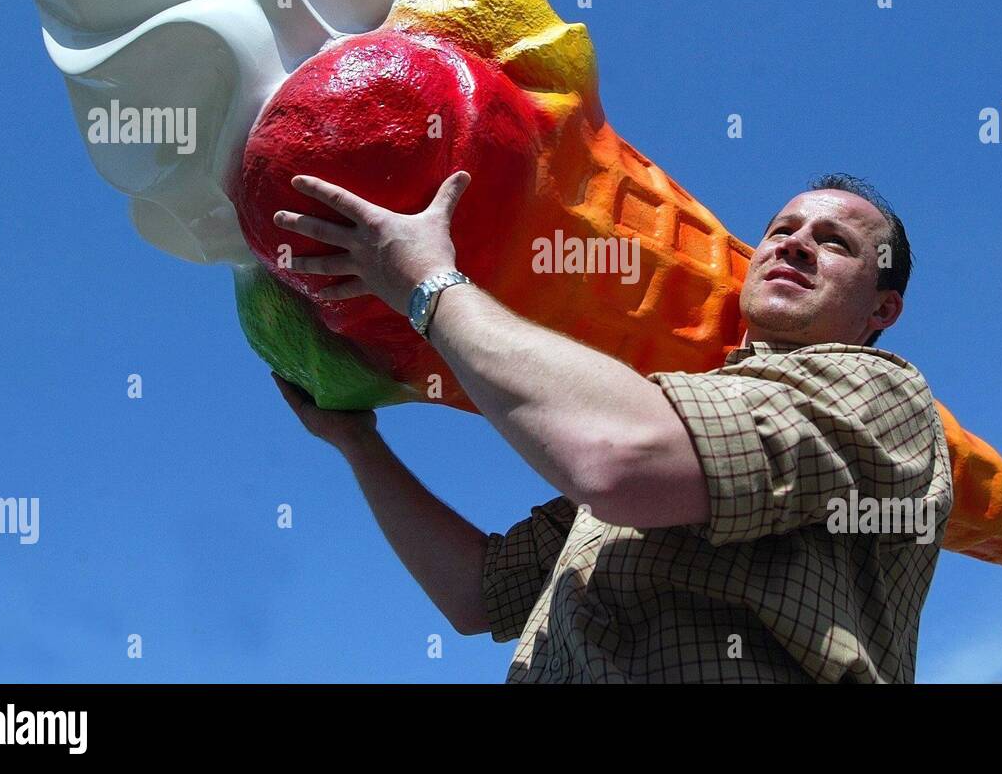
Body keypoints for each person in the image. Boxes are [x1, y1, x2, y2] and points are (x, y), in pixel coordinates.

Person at [271, 171, 953, 683]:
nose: (796, 246)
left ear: (882, 310)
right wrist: (355, 441)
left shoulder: (883, 391)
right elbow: (476, 593)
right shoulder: (683, 409)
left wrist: (427, 284)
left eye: (835, 244)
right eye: (782, 231)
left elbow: (617, 461)